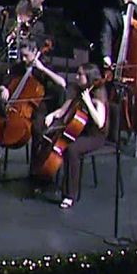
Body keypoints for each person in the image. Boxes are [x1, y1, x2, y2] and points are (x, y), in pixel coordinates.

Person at [37, 63, 109, 210]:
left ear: (88, 77)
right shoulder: (78, 90)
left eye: (80, 74)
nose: (76, 77)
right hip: (78, 131)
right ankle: (43, 180)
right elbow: (65, 109)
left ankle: (69, 195)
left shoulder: (98, 94)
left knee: (71, 150)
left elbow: (100, 122)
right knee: (46, 136)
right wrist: (52, 115)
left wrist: (89, 103)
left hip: (95, 136)